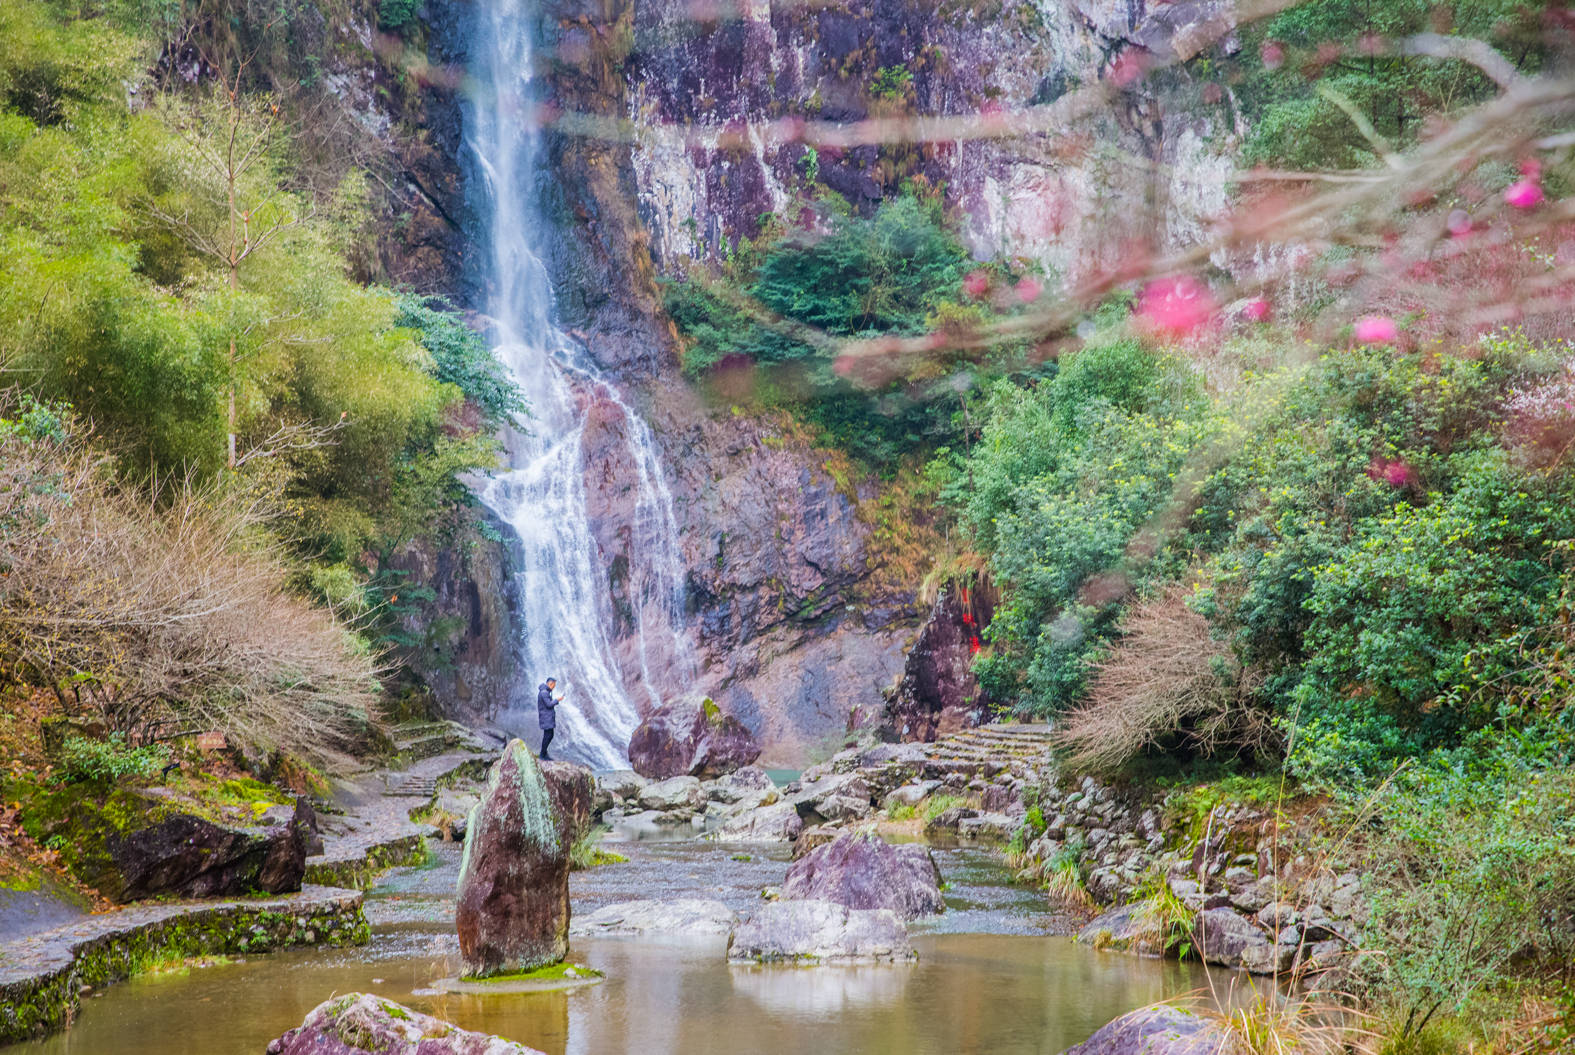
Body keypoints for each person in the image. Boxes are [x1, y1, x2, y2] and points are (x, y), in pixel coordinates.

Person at [537, 677, 559, 760]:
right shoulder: (544, 693)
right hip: (546, 718)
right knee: (548, 736)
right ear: (550, 683)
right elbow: (549, 704)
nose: (554, 687)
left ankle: (544, 753)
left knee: (550, 735)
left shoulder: (546, 692)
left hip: (548, 717)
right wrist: (557, 700)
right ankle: (542, 755)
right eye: (554, 685)